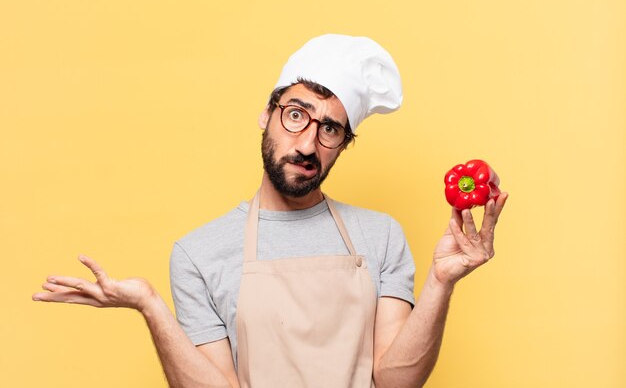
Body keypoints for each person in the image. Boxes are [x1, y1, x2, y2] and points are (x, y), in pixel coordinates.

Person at [33, 34, 508, 388]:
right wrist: (151, 307)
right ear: (267, 114)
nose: (306, 144)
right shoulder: (199, 253)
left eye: (330, 130)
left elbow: (394, 380)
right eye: (296, 114)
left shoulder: (380, 236)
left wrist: (441, 282)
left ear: (343, 145)